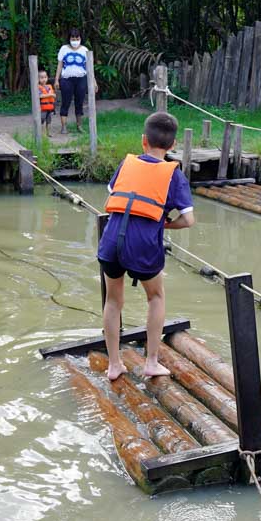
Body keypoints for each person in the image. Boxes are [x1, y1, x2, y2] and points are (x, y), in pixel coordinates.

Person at [98, 111, 195, 381]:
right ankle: (151, 362)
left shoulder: (126, 164)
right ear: (173, 145)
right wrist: (166, 225)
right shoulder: (173, 175)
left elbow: (115, 194)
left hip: (111, 240)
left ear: (143, 141)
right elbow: (188, 220)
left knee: (113, 300)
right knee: (156, 297)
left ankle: (114, 365)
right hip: (143, 245)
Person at [54, 28, 91, 134]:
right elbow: (60, 65)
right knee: (65, 102)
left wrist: (93, 81)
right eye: (73, 38)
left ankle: (79, 126)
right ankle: (64, 127)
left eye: (77, 38)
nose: (75, 40)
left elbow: (89, 67)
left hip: (81, 79)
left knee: (79, 103)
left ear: (80, 38)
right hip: (66, 79)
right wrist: (57, 79)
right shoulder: (64, 49)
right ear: (69, 38)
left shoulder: (84, 50)